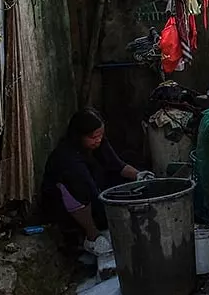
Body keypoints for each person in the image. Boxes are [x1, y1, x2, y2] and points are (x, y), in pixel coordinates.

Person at [41, 108, 153, 256]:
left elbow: (116, 164)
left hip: (92, 193)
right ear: (79, 136)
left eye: (100, 135)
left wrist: (140, 176)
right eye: (93, 137)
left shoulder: (95, 143)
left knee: (126, 172)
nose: (98, 140)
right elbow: (88, 191)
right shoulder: (67, 160)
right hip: (65, 206)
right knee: (84, 193)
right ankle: (91, 237)